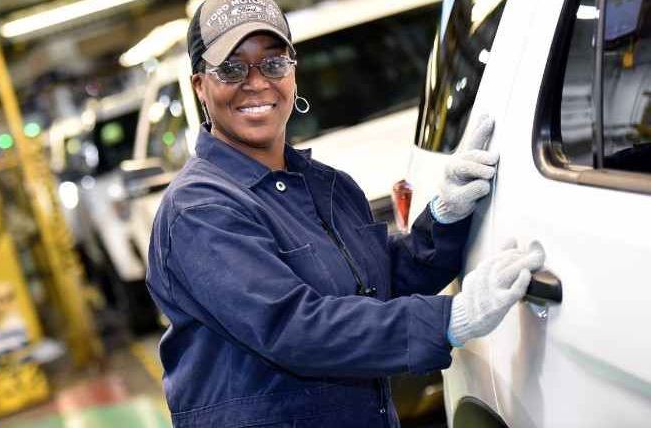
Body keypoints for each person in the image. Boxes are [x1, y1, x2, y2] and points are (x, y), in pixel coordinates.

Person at [146, 1, 545, 426]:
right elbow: (293, 329)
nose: (257, 83)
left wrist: (444, 218)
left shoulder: (326, 185)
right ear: (200, 86)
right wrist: (452, 319)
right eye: (231, 69)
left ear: (292, 73)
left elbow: (379, 281)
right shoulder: (199, 210)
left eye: (274, 63)